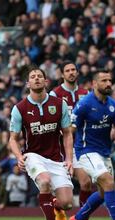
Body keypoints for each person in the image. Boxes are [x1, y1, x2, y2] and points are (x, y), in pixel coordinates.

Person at [9, 66, 73, 220]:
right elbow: (13, 138)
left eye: (39, 76)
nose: (36, 78)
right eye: (32, 77)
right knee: (45, 181)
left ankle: (57, 207)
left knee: (67, 204)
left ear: (46, 81)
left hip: (56, 159)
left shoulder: (59, 104)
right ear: (28, 84)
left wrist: (69, 159)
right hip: (33, 155)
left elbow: (67, 133)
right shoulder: (19, 108)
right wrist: (19, 157)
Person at [69, 69, 115, 220]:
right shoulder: (84, 104)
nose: (108, 84)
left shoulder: (114, 105)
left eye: (110, 80)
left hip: (104, 152)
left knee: (103, 192)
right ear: (94, 84)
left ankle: (78, 219)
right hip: (86, 151)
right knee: (108, 182)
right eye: (104, 80)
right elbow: (71, 129)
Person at [49, 61, 91, 209]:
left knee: (86, 183)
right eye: (67, 70)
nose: (71, 72)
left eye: (73, 70)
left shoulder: (86, 94)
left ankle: (82, 218)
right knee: (62, 196)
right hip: (60, 147)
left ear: (77, 73)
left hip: (80, 146)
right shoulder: (55, 94)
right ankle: (57, 209)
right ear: (62, 74)